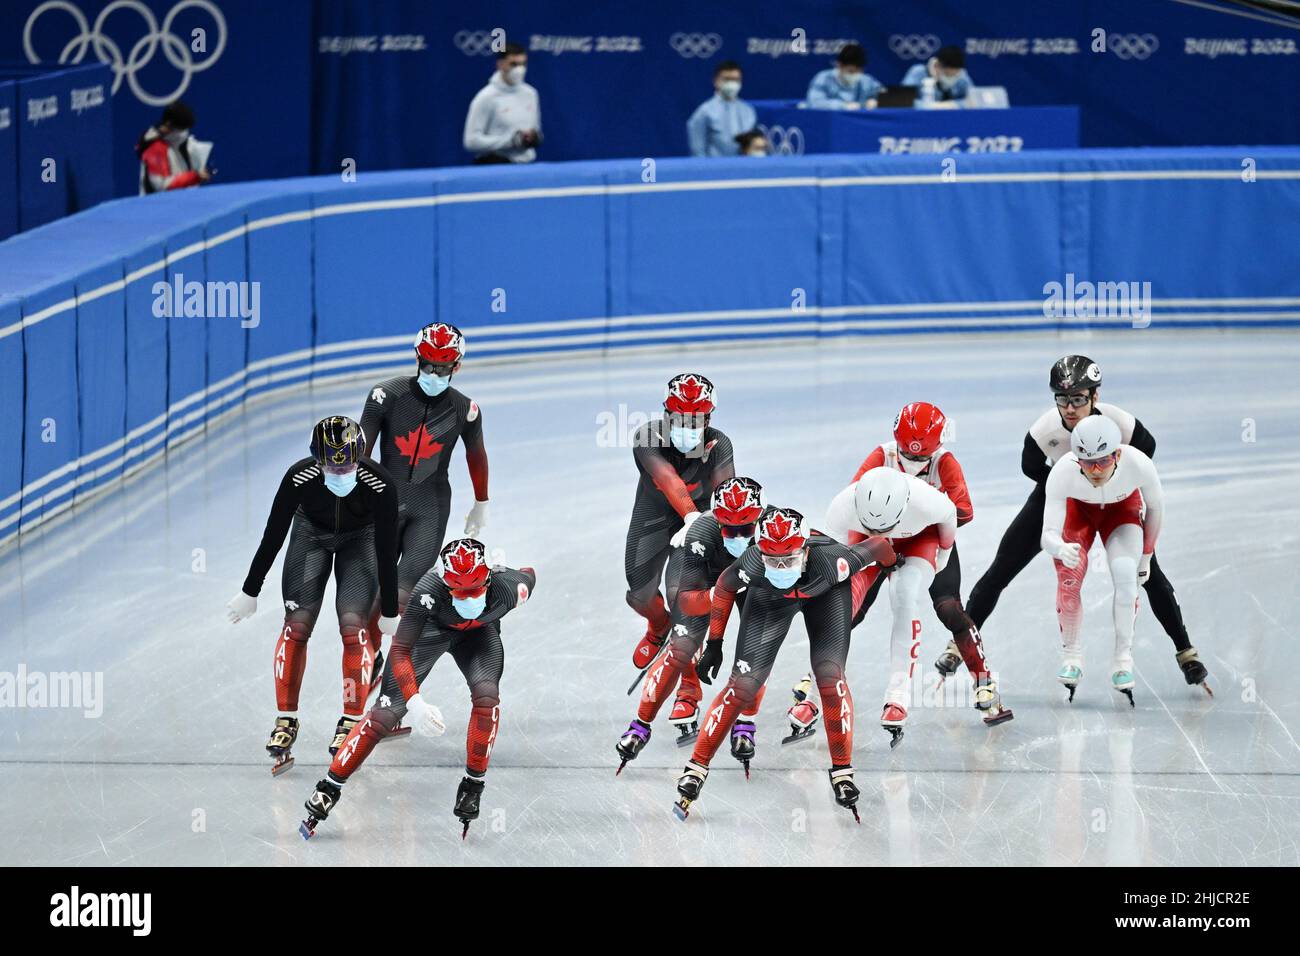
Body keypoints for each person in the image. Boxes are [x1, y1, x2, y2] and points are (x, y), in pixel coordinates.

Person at [963, 356, 1210, 691]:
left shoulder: (1120, 422)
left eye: (1078, 398)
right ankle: (959, 642)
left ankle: (1185, 650)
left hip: (1114, 497)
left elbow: (1146, 451)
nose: (1069, 407)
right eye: (1062, 398)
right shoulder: (1044, 430)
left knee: (1146, 573)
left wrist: (1112, 480)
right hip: (1066, 494)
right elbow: (1029, 466)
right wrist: (1069, 485)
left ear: (1095, 396)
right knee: (1004, 565)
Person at [674, 506, 898, 822]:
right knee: (742, 684)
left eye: (789, 559)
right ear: (760, 552)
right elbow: (724, 588)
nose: (780, 566)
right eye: (772, 560)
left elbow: (879, 547)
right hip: (769, 600)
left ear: (805, 552)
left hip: (826, 594)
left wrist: (892, 564)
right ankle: (696, 767)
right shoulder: (752, 562)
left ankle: (842, 769)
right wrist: (715, 643)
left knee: (829, 676)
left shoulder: (835, 560)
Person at [300, 538, 536, 839]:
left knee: (487, 697)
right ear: (445, 584)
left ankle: (473, 784)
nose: (467, 598)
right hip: (431, 633)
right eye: (459, 591)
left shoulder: (512, 587)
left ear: (490, 579)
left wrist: (504, 567)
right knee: (384, 715)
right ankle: (329, 787)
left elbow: (529, 572)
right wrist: (415, 703)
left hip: (479, 638)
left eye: (475, 590)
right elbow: (400, 652)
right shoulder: (428, 590)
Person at [225, 416, 400, 773]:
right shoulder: (297, 478)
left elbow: (386, 548)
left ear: (360, 457)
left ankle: (350, 720)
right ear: (316, 460)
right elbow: (273, 535)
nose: (340, 472)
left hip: (361, 540)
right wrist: (250, 590)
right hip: (311, 536)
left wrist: (391, 609)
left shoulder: (380, 484)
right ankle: (285, 719)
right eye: (331, 466)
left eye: (348, 464)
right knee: (296, 626)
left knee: (354, 627)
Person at [847, 402, 1013, 726]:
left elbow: (964, 512)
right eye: (906, 455)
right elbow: (854, 499)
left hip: (928, 541)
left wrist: (928, 512)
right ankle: (817, 674)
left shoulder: (946, 462)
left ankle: (983, 679)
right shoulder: (882, 455)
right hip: (881, 540)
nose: (911, 463)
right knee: (852, 606)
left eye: (921, 458)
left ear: (936, 448)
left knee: (949, 608)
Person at [823, 467, 985, 747]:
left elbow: (950, 520)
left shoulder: (928, 502)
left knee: (905, 595)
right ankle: (817, 691)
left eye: (884, 528)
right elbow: (835, 566)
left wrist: (943, 557)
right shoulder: (842, 507)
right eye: (871, 526)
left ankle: (898, 696)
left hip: (917, 540)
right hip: (865, 544)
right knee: (842, 603)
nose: (879, 533)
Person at [616, 477, 767, 774]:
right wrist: (716, 600)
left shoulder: (772, 533)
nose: (737, 535)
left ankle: (746, 720)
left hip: (752, 578)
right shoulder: (701, 534)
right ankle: (641, 723)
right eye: (729, 528)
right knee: (682, 646)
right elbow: (689, 603)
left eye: (745, 528)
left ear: (760, 519)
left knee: (755, 651)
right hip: (705, 580)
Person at [359, 322, 489, 665]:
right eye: (427, 366)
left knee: (400, 596)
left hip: (429, 509)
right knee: (369, 598)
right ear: (417, 359)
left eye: (442, 368)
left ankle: (390, 673)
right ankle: (367, 664)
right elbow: (361, 454)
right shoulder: (384, 396)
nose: (433, 374)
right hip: (382, 506)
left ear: (456, 367)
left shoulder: (466, 410)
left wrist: (481, 503)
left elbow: (476, 455)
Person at [626, 374, 735, 735]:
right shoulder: (646, 436)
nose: (688, 427)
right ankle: (657, 626)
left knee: (680, 598)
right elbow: (668, 479)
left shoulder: (720, 445)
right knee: (639, 594)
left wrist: (711, 527)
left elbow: (723, 494)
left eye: (696, 421)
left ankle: (689, 685)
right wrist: (687, 513)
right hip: (656, 515)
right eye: (680, 419)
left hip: (701, 520)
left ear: (709, 419)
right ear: (666, 415)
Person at [1041, 417, 1164, 706]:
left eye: (1103, 461)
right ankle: (1072, 655)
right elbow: (1047, 534)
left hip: (1121, 512)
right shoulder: (1062, 472)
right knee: (1069, 578)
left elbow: (1156, 509)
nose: (1095, 470)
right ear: (1076, 459)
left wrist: (1146, 555)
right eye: (1087, 462)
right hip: (1079, 513)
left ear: (1117, 454)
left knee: (1125, 574)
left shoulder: (1139, 463)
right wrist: (1059, 548)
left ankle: (1123, 659)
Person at [463, 41, 541, 164]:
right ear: (500, 65)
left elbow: (535, 129)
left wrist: (534, 138)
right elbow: (471, 141)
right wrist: (511, 141)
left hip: (526, 165)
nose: (519, 70)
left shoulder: (531, 94)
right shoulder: (486, 97)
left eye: (523, 64)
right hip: (496, 166)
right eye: (513, 64)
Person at [135, 100, 210, 194]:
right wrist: (194, 177)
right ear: (168, 126)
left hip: (182, 202)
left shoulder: (185, 142)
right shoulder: (155, 148)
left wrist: (200, 174)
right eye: (181, 129)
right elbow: (162, 186)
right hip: (157, 206)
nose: (184, 133)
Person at [686, 60, 757, 157]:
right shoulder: (704, 111)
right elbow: (697, 150)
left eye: (736, 80)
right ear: (716, 81)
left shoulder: (748, 111)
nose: (732, 83)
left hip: (743, 167)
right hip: (715, 169)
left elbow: (751, 147)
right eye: (727, 79)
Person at [806, 43, 883, 110]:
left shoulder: (867, 81)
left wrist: (877, 102)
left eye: (859, 71)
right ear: (839, 65)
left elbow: (886, 96)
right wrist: (843, 106)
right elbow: (814, 102)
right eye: (851, 71)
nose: (856, 74)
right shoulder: (823, 78)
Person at [901, 45, 973, 103]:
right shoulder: (918, 72)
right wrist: (925, 105)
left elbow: (973, 100)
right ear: (937, 66)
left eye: (955, 75)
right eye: (947, 74)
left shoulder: (962, 74)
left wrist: (953, 105)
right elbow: (903, 100)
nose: (952, 77)